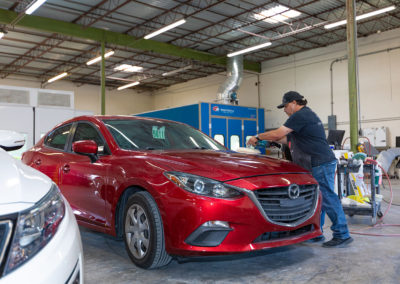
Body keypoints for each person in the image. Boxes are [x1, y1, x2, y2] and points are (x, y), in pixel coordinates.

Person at [248, 91, 353, 248]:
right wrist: (270, 142)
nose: (284, 110)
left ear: (294, 103)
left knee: (327, 198)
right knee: (318, 199)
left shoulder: (300, 115)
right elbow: (286, 139)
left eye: (285, 106)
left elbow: (278, 133)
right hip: (315, 163)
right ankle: (316, 233)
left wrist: (258, 137)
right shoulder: (303, 117)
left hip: (320, 163)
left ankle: (342, 234)